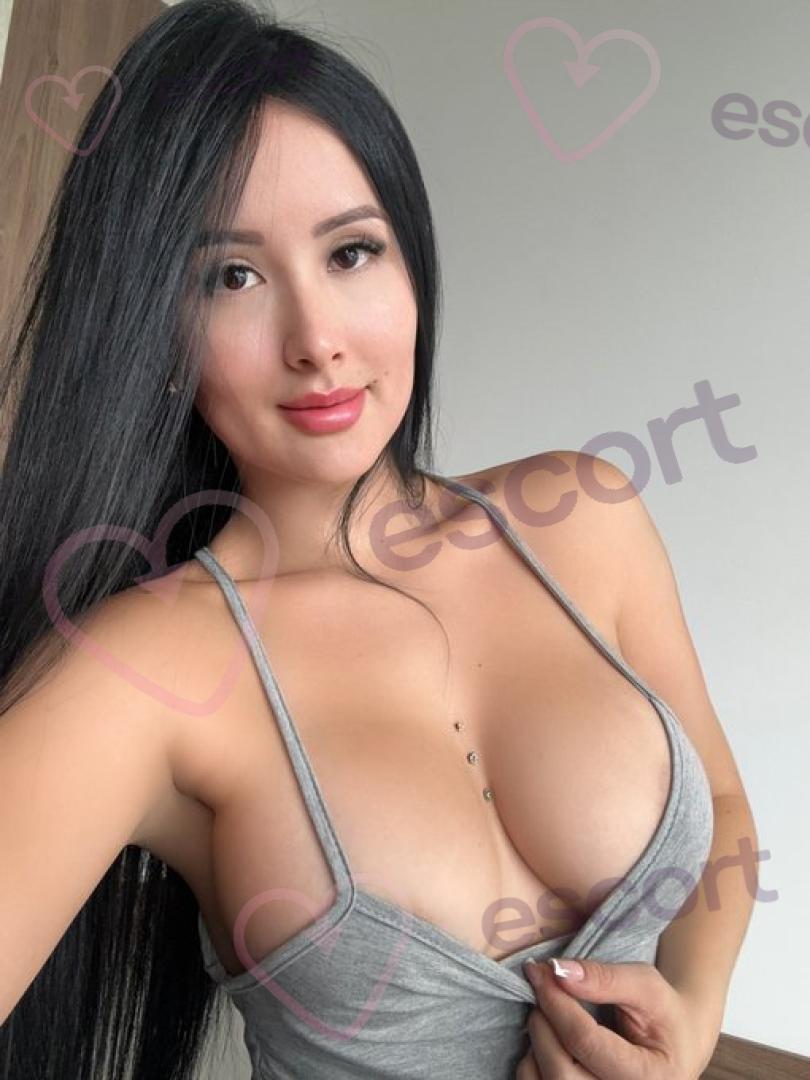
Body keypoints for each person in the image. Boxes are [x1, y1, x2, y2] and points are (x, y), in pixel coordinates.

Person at [0, 1, 755, 1077]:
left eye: (352, 252)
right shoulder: (142, 671)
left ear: (413, 270)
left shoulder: (584, 520)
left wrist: (695, 1011)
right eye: (231, 277)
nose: (318, 341)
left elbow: (720, 803)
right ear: (153, 329)